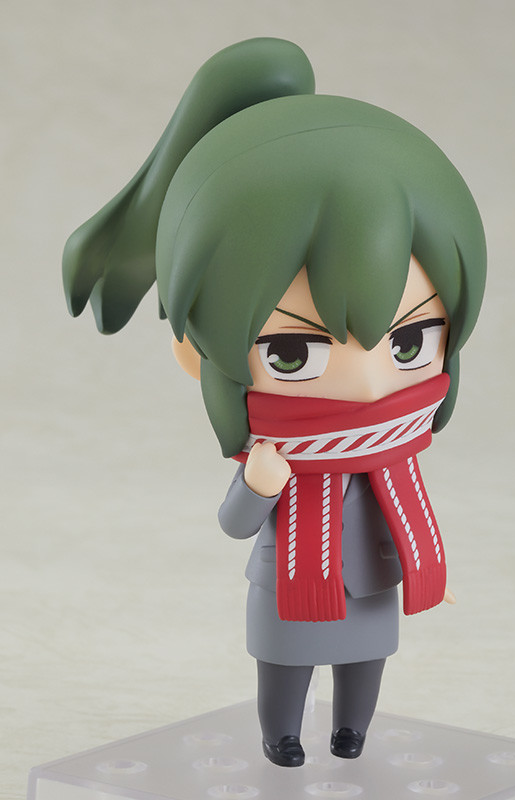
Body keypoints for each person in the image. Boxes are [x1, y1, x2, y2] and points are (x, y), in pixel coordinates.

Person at [63, 37, 486, 767]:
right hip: (289, 589)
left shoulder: (393, 453)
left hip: (374, 586)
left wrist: (428, 566)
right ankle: (281, 735)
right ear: (196, 350)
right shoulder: (273, 452)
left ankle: (351, 732)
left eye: (410, 341)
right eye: (293, 351)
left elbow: (402, 512)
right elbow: (235, 523)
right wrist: (259, 485)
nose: (367, 385)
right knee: (287, 667)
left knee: (366, 664)